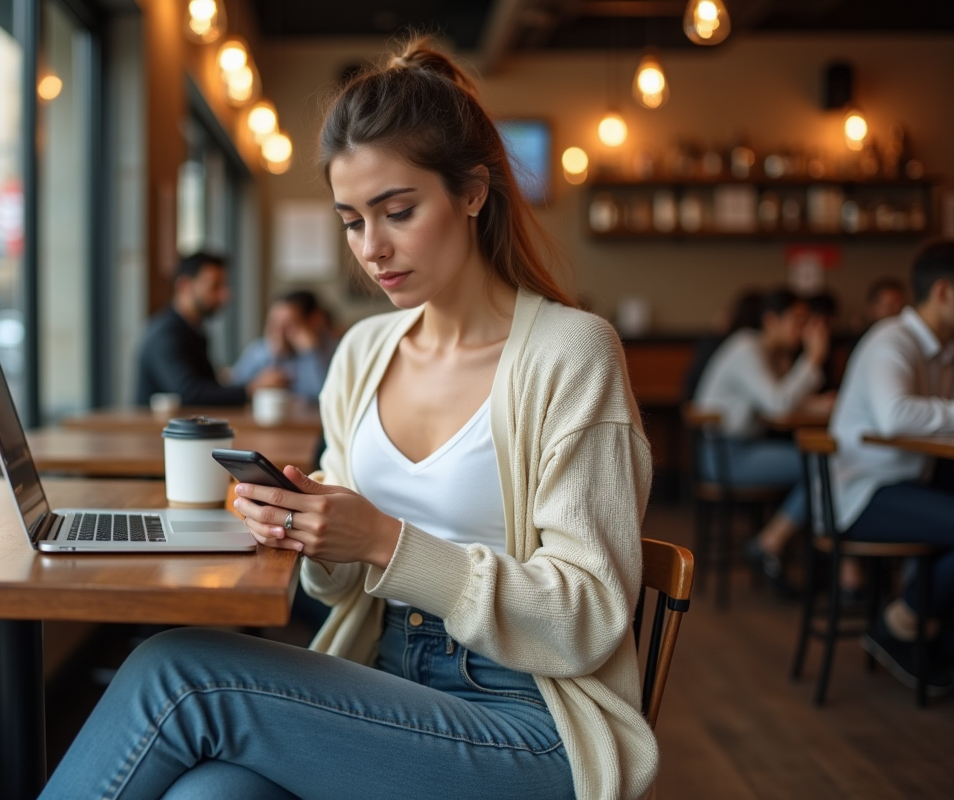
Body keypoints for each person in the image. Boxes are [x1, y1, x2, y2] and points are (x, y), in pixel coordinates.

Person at [44, 40, 656, 800]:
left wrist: (380, 538)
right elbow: (338, 592)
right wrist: (310, 528)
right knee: (211, 796)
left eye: (398, 212)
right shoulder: (364, 351)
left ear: (472, 192)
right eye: (351, 221)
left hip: (531, 719)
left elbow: (588, 617)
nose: (373, 249)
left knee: (178, 671)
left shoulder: (573, 353)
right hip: (381, 678)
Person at [830, 240, 954, 694]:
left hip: (908, 484)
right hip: (864, 493)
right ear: (943, 291)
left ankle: (916, 625)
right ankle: (900, 624)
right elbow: (895, 416)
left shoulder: (943, 349)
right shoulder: (892, 339)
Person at [693, 289, 833, 589]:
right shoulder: (746, 348)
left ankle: (799, 551)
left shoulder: (766, 351)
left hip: (744, 448)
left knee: (823, 465)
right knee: (823, 468)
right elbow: (779, 404)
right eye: (798, 320)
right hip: (727, 456)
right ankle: (772, 543)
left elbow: (782, 401)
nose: (803, 329)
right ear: (771, 319)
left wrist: (819, 400)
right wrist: (814, 357)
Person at [134, 252, 287, 406]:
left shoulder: (193, 331)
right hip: (159, 429)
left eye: (224, 286)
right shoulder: (165, 334)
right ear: (184, 285)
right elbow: (189, 393)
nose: (225, 295)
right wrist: (252, 388)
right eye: (215, 287)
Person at [230, 290, 338, 403]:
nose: (279, 333)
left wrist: (310, 353)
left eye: (289, 325)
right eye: (274, 323)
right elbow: (233, 389)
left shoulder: (333, 351)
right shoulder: (259, 350)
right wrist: (271, 357)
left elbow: (323, 396)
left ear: (313, 321)